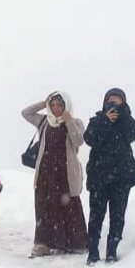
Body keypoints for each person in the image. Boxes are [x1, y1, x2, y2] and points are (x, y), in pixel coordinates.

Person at [22, 91, 88, 257]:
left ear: (66, 106)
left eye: (60, 104)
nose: (56, 108)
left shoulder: (76, 122)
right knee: (44, 207)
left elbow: (79, 140)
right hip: (45, 172)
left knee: (69, 206)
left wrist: (68, 121)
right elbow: (26, 113)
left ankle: (74, 243)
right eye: (53, 105)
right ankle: (43, 244)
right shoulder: (44, 121)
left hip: (65, 173)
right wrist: (43, 104)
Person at [84, 87, 135, 265]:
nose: (114, 104)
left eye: (118, 101)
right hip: (99, 179)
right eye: (111, 101)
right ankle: (93, 252)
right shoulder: (97, 120)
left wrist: (124, 114)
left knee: (117, 217)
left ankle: (112, 251)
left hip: (121, 179)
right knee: (96, 217)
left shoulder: (126, 122)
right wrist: (104, 120)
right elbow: (90, 139)